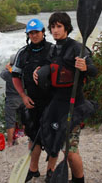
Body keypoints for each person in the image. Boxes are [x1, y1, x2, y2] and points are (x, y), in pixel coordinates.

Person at [34, 12, 98, 183]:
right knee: (59, 146)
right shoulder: (54, 49)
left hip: (74, 106)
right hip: (57, 105)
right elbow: (49, 67)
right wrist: (38, 72)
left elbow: (94, 72)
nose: (55, 30)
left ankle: (79, 180)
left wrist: (85, 67)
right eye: (53, 27)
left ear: (67, 28)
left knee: (70, 151)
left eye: (59, 26)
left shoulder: (78, 47)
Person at [12, 18, 56, 183]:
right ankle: (33, 170)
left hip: (52, 102)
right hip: (32, 102)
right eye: (31, 33)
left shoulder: (54, 50)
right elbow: (15, 77)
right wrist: (23, 96)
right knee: (33, 138)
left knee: (53, 137)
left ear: (43, 32)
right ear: (28, 35)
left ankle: (50, 171)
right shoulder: (23, 53)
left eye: (36, 32)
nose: (34, 35)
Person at [0, 54, 23, 147]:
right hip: (23, 98)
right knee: (24, 119)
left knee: (10, 121)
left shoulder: (8, 73)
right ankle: (26, 138)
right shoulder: (23, 72)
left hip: (11, 99)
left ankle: (9, 143)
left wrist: (7, 68)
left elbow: (1, 74)